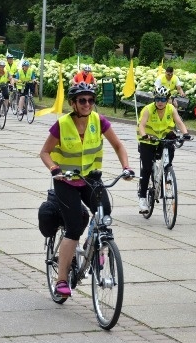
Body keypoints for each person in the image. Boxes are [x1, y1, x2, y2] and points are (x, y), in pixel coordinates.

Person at [39, 83, 134, 298]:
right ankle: (61, 279)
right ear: (73, 103)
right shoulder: (62, 124)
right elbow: (45, 152)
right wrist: (55, 169)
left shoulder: (98, 121)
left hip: (90, 179)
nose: (87, 104)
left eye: (91, 100)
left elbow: (118, 145)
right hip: (66, 182)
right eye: (82, 100)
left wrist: (126, 167)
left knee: (104, 215)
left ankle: (96, 246)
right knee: (73, 228)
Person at [136, 86, 191, 213]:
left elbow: (179, 122)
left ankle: (167, 172)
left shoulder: (171, 109)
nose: (160, 102)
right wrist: (144, 135)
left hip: (163, 139)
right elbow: (142, 125)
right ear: (154, 99)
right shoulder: (148, 109)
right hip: (148, 140)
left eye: (163, 99)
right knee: (147, 168)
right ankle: (143, 198)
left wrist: (185, 133)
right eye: (157, 99)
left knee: (170, 146)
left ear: (167, 100)